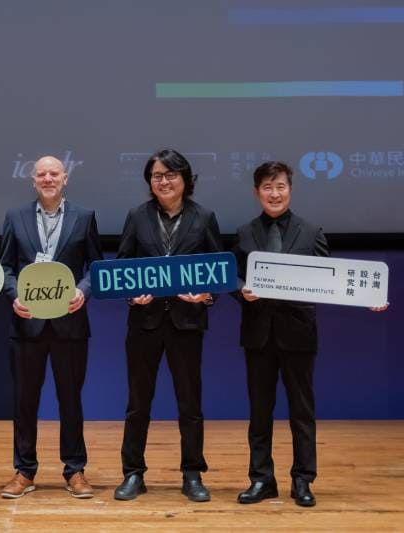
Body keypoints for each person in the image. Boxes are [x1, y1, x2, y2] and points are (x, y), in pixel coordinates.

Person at [114, 149, 222, 503]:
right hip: (144, 322)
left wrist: (205, 296)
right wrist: (132, 296)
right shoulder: (137, 216)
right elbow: (123, 265)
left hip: (187, 322)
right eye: (157, 176)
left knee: (190, 403)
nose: (164, 181)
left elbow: (217, 272)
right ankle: (133, 473)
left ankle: (192, 473)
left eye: (171, 175)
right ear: (150, 182)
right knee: (137, 402)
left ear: (186, 180)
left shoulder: (204, 217)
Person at [0, 155, 103, 499]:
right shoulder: (15, 216)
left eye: (53, 173)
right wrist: (14, 295)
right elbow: (6, 268)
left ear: (65, 178)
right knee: (24, 402)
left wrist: (83, 291)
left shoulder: (84, 216)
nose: (47, 179)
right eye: (41, 174)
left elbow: (95, 266)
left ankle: (75, 470)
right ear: (32, 181)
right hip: (26, 324)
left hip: (70, 324)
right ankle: (24, 471)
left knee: (70, 399)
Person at [232, 161, 333, 507]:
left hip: (298, 334)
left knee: (301, 412)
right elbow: (233, 278)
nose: (274, 194)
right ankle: (262, 480)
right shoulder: (245, 233)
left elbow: (329, 283)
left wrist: (369, 299)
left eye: (280, 187)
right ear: (256, 192)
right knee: (260, 412)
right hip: (258, 335)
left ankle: (303, 480)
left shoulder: (311, 231)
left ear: (290, 189)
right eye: (267, 188)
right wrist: (242, 289)